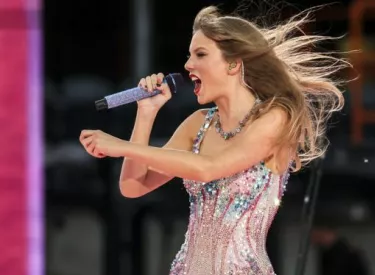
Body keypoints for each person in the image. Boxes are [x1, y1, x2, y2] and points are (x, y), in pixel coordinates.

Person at [79, 5, 346, 275]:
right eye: (189, 55)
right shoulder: (198, 124)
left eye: (201, 54)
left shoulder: (275, 118)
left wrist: (119, 146)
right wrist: (146, 114)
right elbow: (132, 187)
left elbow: (209, 168)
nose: (187, 65)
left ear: (233, 62)